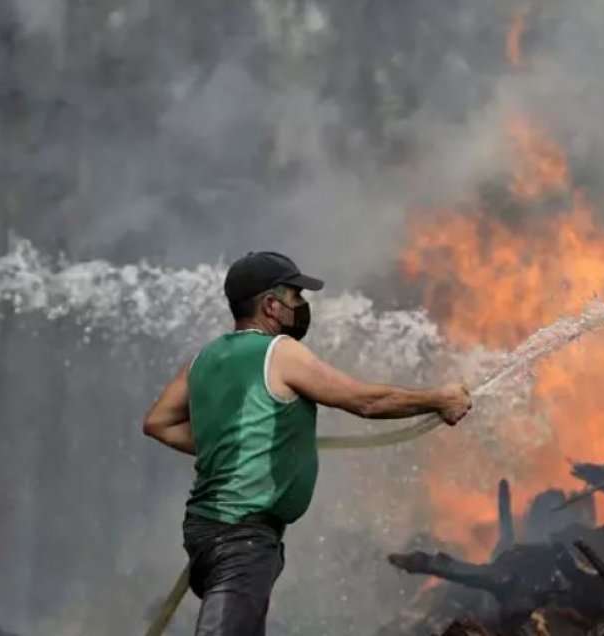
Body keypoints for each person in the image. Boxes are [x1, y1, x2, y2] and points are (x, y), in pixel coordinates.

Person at [143, 251, 472, 636]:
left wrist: (235, 443)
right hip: (241, 537)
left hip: (206, 531)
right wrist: (439, 399)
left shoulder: (204, 358)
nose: (302, 306)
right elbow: (366, 401)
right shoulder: (280, 352)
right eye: (295, 297)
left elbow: (158, 422)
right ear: (270, 305)